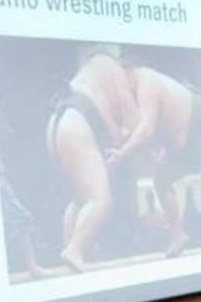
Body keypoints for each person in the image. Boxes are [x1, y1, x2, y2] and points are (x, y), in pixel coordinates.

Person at [107, 62, 201, 256]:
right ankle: (178, 234)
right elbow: (145, 132)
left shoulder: (147, 81)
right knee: (161, 181)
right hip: (177, 144)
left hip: (198, 122)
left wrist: (121, 154)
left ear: (128, 73)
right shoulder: (135, 97)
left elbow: (147, 129)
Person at [45, 46, 137, 272]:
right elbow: (132, 119)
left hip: (57, 121)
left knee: (79, 200)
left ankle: (72, 253)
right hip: (79, 123)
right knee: (100, 200)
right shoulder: (113, 69)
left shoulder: (88, 72)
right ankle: (75, 250)